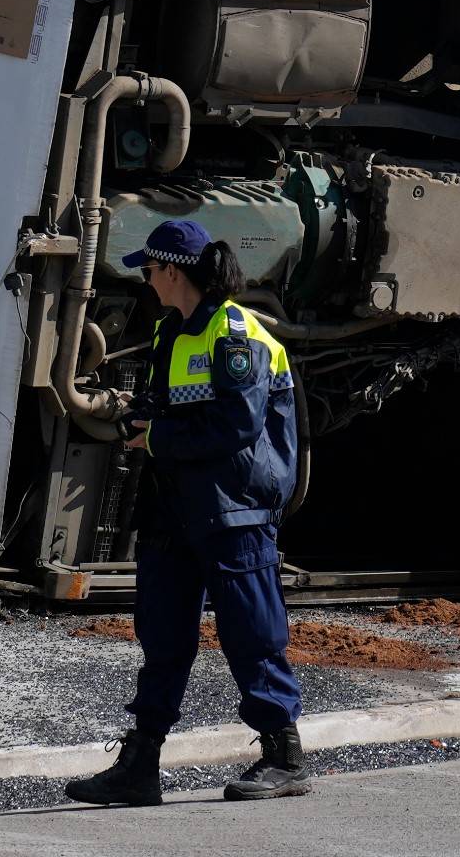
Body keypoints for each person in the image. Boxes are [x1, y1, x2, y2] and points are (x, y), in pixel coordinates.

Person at [65, 218, 310, 807]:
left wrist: (154, 437)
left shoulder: (234, 333)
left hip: (235, 511)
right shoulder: (172, 332)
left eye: (149, 271)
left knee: (252, 634)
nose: (146, 281)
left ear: (172, 269)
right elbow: (170, 404)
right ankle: (140, 763)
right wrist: (137, 412)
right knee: (164, 635)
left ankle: (285, 757)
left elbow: (235, 424)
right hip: (178, 510)